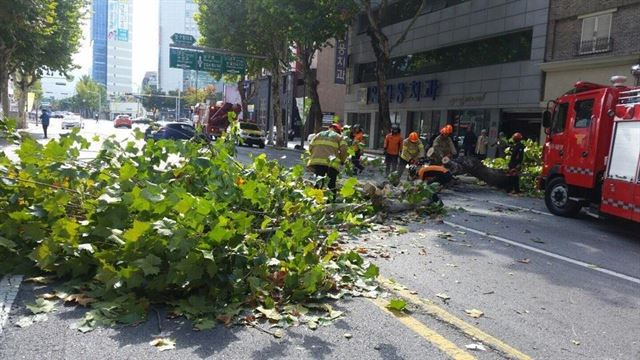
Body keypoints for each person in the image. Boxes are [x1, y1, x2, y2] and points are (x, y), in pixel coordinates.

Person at [307, 123, 349, 197]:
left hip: (318, 162)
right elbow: (344, 150)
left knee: (319, 182)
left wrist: (316, 155)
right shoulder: (339, 137)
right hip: (331, 163)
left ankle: (315, 200)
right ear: (338, 131)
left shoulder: (318, 135)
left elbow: (310, 147)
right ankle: (331, 201)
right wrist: (342, 160)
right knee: (331, 183)